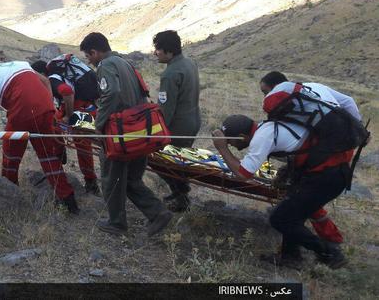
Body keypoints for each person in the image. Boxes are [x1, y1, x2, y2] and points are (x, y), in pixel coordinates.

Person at [212, 112, 353, 269]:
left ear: (242, 136)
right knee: (291, 212)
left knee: (281, 219)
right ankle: (291, 256)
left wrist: (222, 148)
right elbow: (300, 148)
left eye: (230, 141)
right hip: (329, 173)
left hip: (327, 176)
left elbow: (243, 174)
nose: (231, 145)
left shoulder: (262, 137)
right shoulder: (267, 128)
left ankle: (329, 253)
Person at [79, 32, 172, 236]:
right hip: (140, 130)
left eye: (88, 56)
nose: (90, 61)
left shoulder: (105, 66)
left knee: (112, 178)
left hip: (120, 133)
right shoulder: (125, 62)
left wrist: (100, 123)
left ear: (94, 52)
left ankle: (117, 222)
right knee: (131, 179)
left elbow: (110, 93)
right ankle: (157, 213)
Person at [0, 50, 79, 213]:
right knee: (49, 157)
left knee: (10, 157)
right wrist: (50, 108)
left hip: (21, 112)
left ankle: (10, 196)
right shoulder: (20, 63)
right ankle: (70, 203)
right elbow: (46, 82)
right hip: (45, 111)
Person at [259, 72, 360, 245]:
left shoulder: (285, 101)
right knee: (303, 197)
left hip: (319, 155)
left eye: (264, 91)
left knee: (300, 196)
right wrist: (356, 132)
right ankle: (311, 246)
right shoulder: (313, 88)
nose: (265, 95)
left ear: (276, 87)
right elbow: (349, 102)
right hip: (340, 147)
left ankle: (328, 247)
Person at [32, 57, 100, 195]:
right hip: (87, 109)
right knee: (85, 144)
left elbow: (67, 92)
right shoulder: (59, 77)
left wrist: (69, 117)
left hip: (81, 113)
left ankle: (90, 182)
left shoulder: (52, 80)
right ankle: (62, 154)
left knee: (85, 146)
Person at [153, 30, 201, 212]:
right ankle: (180, 191)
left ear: (168, 51)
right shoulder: (189, 63)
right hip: (193, 119)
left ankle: (181, 195)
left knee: (159, 159)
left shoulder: (170, 74)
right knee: (177, 160)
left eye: (158, 49)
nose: (155, 53)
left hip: (179, 125)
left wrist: (156, 132)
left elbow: (167, 110)